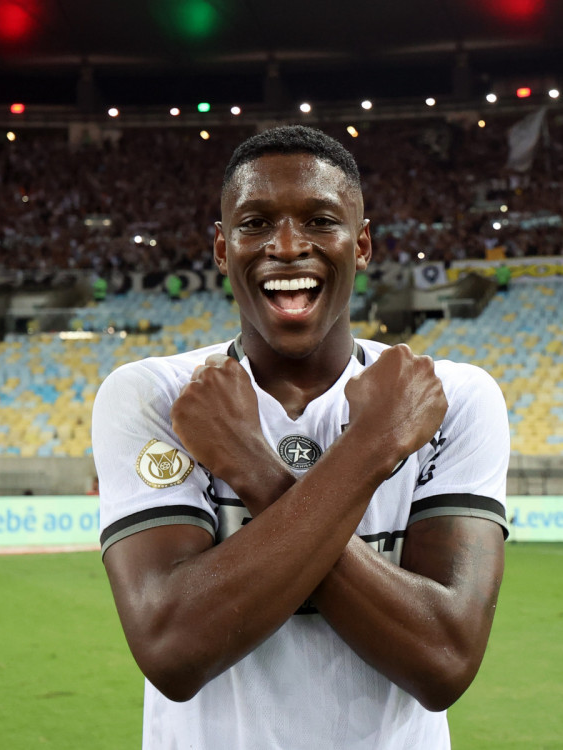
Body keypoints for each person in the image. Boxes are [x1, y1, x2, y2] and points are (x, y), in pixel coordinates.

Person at [93, 126, 509, 749]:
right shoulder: (156, 395)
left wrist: (254, 469)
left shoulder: (452, 398)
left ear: (361, 244)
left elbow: (443, 660)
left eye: (320, 220)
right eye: (255, 223)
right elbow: (172, 648)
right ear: (221, 246)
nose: (287, 247)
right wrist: (374, 448)